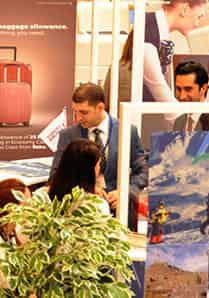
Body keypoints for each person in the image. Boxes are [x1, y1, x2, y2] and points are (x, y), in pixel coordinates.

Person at [50, 83, 147, 226]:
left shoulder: (127, 130)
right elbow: (56, 175)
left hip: (122, 216)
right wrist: (89, 190)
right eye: (75, 112)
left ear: (100, 107)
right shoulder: (68, 135)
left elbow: (143, 171)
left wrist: (125, 192)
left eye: (84, 112)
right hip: (82, 218)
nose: (78, 118)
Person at [45, 138, 109, 214]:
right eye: (98, 164)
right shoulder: (98, 206)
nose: (99, 169)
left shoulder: (43, 197)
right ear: (89, 171)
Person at [172, 61, 209, 132]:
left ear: (203, 89)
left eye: (188, 89)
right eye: (178, 89)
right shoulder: (179, 121)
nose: (181, 96)